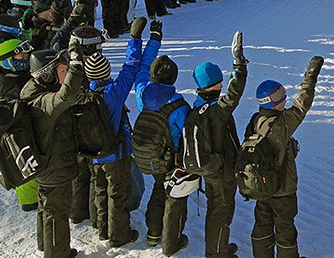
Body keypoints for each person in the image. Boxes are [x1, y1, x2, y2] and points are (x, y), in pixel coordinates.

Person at [247, 56, 323, 258]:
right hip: (283, 189)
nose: (285, 98)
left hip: (261, 187)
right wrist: (310, 77)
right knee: (285, 227)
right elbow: (302, 105)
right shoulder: (282, 124)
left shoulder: (256, 120)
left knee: (262, 224)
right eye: (280, 95)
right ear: (272, 101)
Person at [86, 19, 152, 247]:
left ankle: (101, 226)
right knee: (117, 193)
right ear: (106, 72)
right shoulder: (113, 93)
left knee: (99, 188)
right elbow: (130, 67)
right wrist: (134, 38)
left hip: (93, 152)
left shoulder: (83, 95)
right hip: (116, 152)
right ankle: (119, 234)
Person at [21, 40, 85, 258]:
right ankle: (57, 253)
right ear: (47, 74)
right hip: (54, 166)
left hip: (45, 163)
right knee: (57, 212)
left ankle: (45, 244)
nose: (66, 74)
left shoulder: (32, 89)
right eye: (62, 70)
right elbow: (66, 96)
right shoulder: (43, 102)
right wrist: (77, 64)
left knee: (46, 207)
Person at [190, 32, 248, 258]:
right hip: (221, 170)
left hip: (211, 169)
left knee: (217, 209)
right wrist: (238, 64)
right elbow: (235, 93)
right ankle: (216, 253)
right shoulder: (216, 111)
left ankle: (219, 247)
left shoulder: (196, 107)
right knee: (221, 212)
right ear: (215, 84)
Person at [134, 30, 192, 255]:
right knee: (172, 196)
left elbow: (139, 69)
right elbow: (184, 133)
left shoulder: (142, 94)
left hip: (149, 154)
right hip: (171, 158)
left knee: (158, 190)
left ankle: (153, 232)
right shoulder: (180, 106)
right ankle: (172, 237)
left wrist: (153, 42)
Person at [0, 38, 37, 212]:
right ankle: (29, 200)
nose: (26, 58)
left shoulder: (19, 75)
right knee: (24, 163)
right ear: (8, 60)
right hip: (17, 131)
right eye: (21, 56)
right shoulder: (7, 84)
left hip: (24, 126)